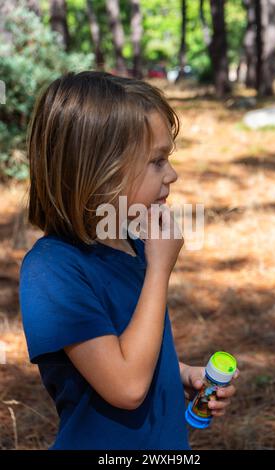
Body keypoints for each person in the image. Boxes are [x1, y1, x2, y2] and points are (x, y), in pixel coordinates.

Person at [19, 71, 238, 450]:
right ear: (97, 171)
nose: (172, 174)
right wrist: (159, 271)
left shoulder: (132, 244)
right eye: (157, 161)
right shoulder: (52, 270)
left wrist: (179, 375)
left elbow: (133, 349)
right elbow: (126, 386)